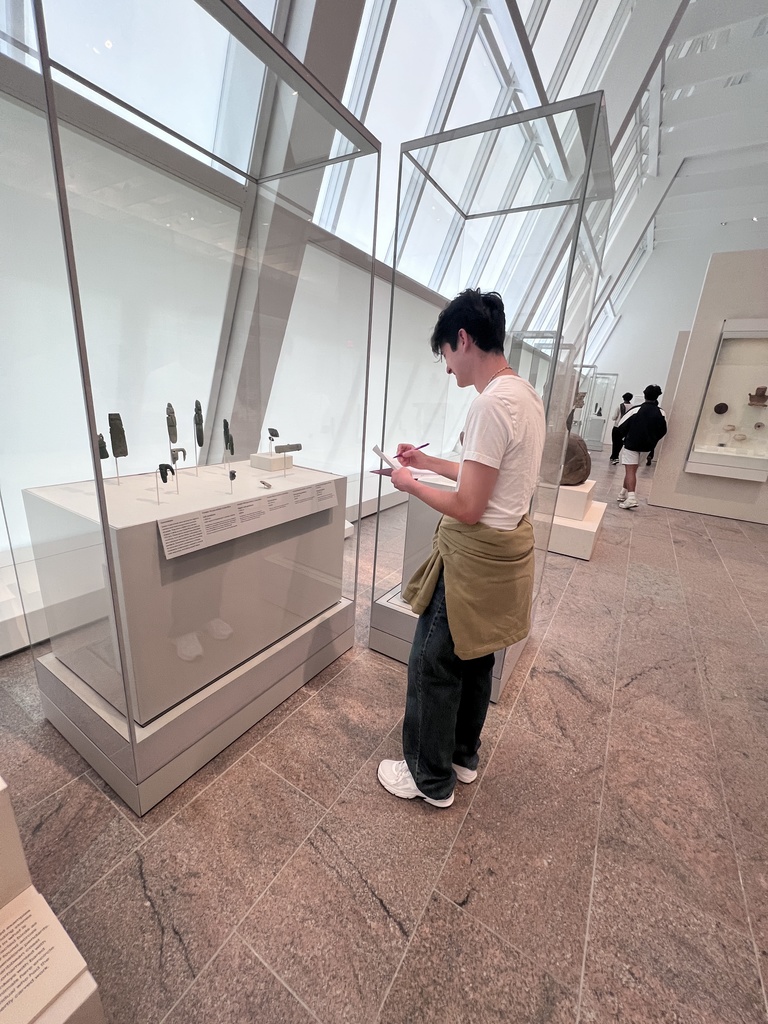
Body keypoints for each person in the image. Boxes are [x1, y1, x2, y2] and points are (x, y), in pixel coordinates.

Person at [377, 289, 546, 808]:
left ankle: (429, 778)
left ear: (464, 340)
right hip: (504, 552)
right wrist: (427, 465)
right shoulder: (524, 396)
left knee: (433, 662)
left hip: (472, 558)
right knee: (475, 658)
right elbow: (486, 474)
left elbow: (469, 506)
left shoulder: (490, 405)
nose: (447, 367)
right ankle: (461, 756)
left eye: (446, 354)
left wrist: (407, 484)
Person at [614, 384, 667, 509]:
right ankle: (622, 493)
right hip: (647, 447)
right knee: (632, 471)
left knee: (630, 471)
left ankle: (631, 498)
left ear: (644, 395)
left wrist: (626, 437)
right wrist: (653, 440)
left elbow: (621, 426)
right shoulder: (661, 412)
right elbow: (663, 430)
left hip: (632, 444)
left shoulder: (635, 410)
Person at [609, 392, 634, 464]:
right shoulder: (632, 407)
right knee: (620, 443)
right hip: (626, 428)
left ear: (623, 398)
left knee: (615, 442)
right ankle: (616, 456)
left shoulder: (619, 406)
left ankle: (614, 457)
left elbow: (614, 417)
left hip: (617, 426)